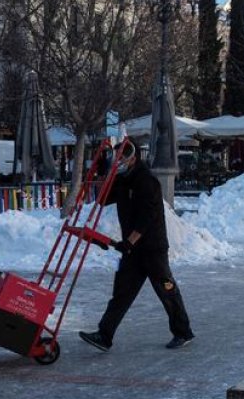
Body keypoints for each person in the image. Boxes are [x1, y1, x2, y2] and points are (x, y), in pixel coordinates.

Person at [80, 139, 195, 352]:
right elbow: (102, 200)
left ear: (133, 158)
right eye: (115, 159)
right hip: (132, 250)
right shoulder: (122, 180)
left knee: (166, 289)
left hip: (152, 248)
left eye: (121, 158)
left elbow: (147, 217)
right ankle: (104, 335)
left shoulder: (146, 181)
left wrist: (129, 241)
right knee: (122, 292)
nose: (118, 162)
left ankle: (183, 332)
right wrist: (104, 174)